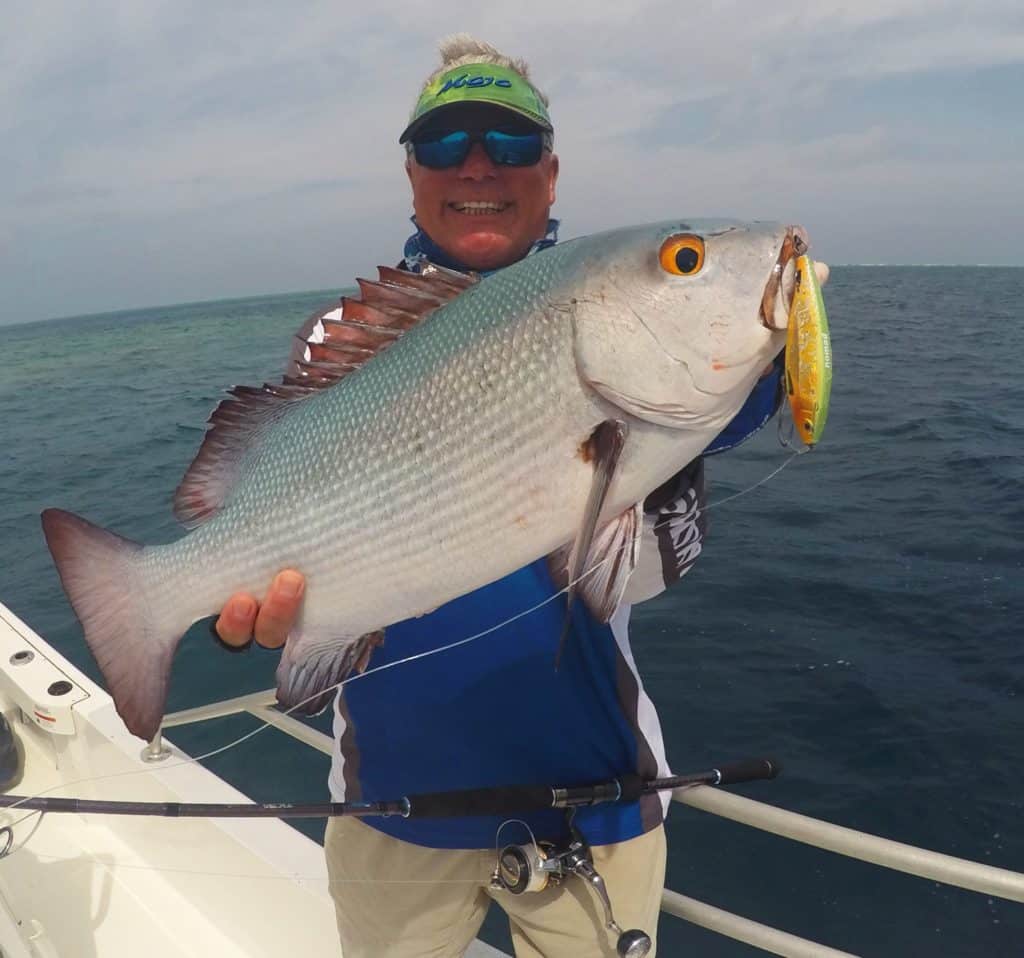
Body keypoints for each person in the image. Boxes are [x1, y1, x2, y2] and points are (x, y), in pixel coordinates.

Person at [213, 35, 784, 958]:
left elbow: (647, 569)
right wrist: (242, 609)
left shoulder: (619, 312)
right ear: (412, 174)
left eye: (511, 146)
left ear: (550, 175)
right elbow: (295, 518)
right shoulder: (342, 334)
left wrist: (746, 381)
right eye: (445, 145)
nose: (478, 166)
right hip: (389, 803)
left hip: (596, 803)